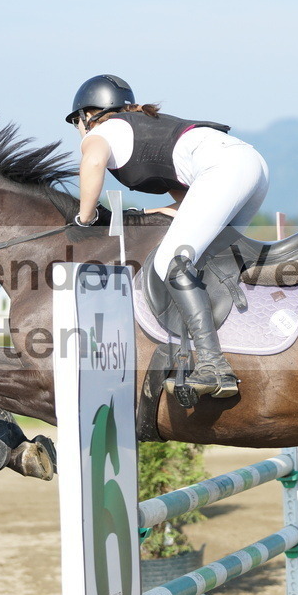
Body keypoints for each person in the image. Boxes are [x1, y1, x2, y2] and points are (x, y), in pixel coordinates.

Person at [67, 74, 269, 402]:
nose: (78, 127)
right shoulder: (145, 129)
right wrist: (138, 216)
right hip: (251, 165)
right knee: (215, 254)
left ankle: (213, 366)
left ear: (89, 114)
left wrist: (85, 216)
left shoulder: (101, 132)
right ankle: (277, 263)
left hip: (225, 168)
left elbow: (92, 161)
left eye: (77, 120)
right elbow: (185, 206)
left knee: (171, 261)